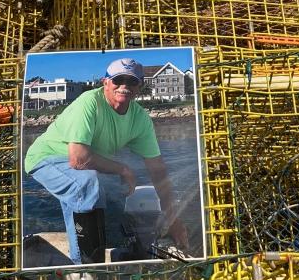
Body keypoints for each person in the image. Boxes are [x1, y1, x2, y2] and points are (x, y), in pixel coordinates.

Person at [24, 57, 189, 264]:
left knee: (112, 195)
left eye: (132, 82)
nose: (124, 86)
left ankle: (125, 254)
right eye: (118, 80)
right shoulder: (89, 102)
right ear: (105, 82)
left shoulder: (140, 119)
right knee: (86, 185)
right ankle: (88, 268)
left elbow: (158, 169)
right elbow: (78, 159)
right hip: (46, 157)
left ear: (140, 86)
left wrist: (172, 219)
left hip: (84, 167)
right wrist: (124, 170)